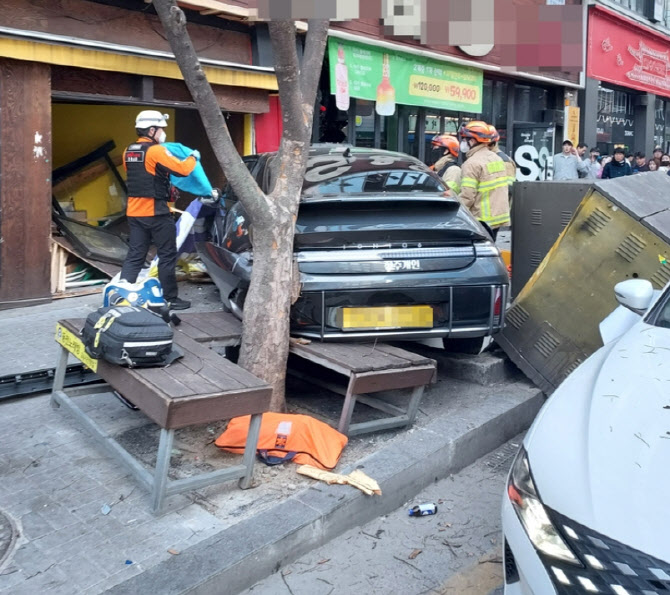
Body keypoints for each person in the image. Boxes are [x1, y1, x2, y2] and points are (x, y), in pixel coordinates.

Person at [120, 110, 199, 310]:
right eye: (161, 129)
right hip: (156, 213)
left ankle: (122, 294)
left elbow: (144, 176)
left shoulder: (128, 151)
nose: (163, 132)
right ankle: (170, 299)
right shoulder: (156, 150)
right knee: (167, 255)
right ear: (152, 130)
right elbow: (182, 169)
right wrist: (193, 157)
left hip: (134, 213)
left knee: (135, 255)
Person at [458, 120, 510, 241]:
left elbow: (467, 196)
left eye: (465, 139)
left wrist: (455, 213)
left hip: (482, 219)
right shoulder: (497, 158)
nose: (463, 143)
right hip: (498, 217)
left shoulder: (471, 163)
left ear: (473, 140)